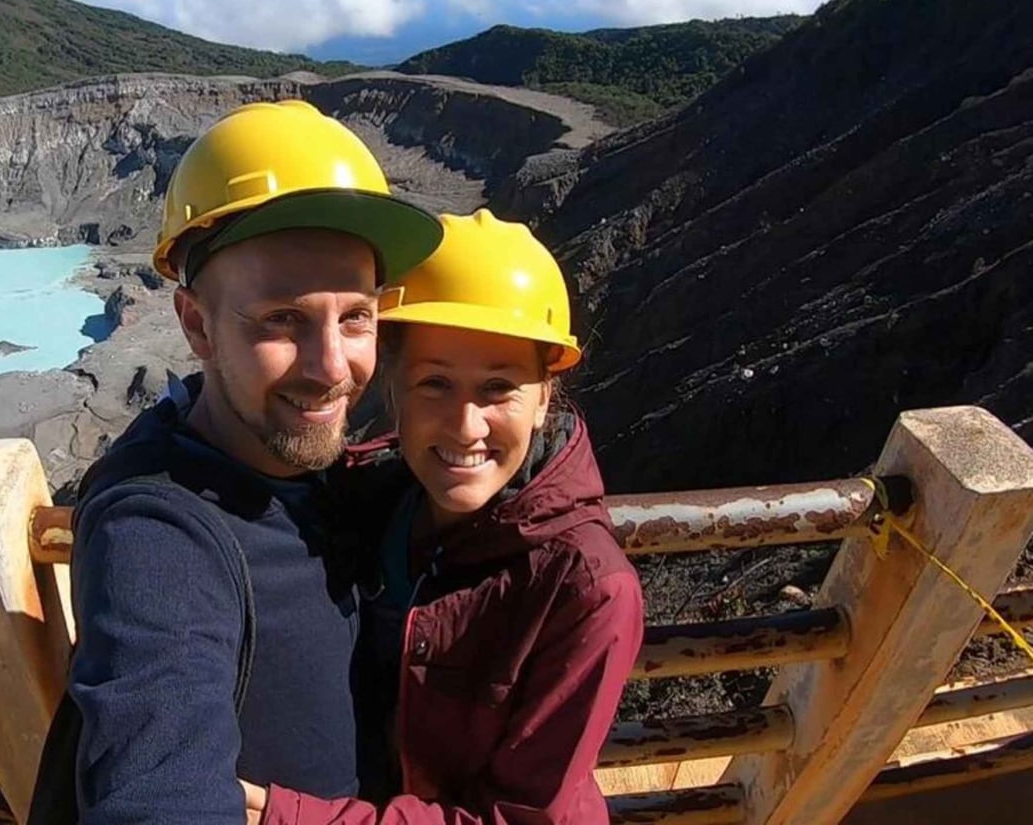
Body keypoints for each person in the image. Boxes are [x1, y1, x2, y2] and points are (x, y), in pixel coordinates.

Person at [32, 99, 444, 824]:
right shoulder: (158, 535)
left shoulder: (309, 467)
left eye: (355, 316)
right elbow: (157, 789)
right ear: (196, 323)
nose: (330, 367)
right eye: (282, 319)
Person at [247, 209, 645, 825]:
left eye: (497, 388)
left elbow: (519, 819)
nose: (466, 426)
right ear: (393, 391)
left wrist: (290, 819)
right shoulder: (367, 498)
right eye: (435, 384)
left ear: (544, 398)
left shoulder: (584, 588)